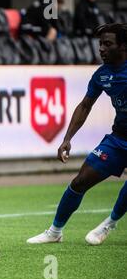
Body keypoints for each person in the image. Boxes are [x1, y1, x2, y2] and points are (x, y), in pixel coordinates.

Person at [27, 23, 127, 246]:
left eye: (107, 44)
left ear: (123, 46)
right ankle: (55, 232)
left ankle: (109, 224)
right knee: (80, 181)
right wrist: (67, 139)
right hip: (119, 138)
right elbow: (85, 106)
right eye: (100, 44)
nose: (101, 49)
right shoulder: (102, 75)